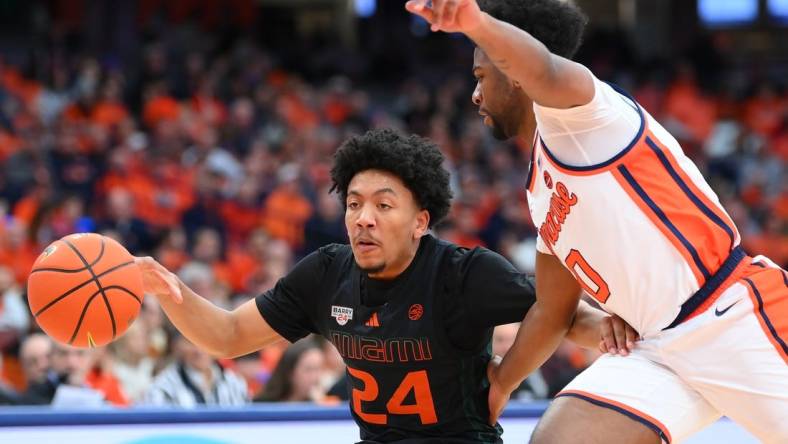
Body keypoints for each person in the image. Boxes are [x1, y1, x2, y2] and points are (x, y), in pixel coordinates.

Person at [405, 1, 788, 443]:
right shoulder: (539, 185)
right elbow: (553, 310)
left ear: (513, 70)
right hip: (656, 349)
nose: (475, 95)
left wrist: (475, 23)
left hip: (731, 317)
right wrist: (499, 383)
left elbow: (546, 72)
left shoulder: (590, 116)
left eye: (480, 76)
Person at [135, 128, 636, 442]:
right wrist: (167, 288)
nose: (364, 219)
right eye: (353, 204)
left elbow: (565, 315)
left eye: (382, 205)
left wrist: (620, 334)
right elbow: (225, 336)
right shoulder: (326, 273)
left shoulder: (462, 273)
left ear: (421, 220)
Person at [255, 337, 326, 402]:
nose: (315, 377)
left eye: (319, 369)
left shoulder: (323, 404)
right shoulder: (263, 405)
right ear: (290, 372)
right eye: (308, 369)